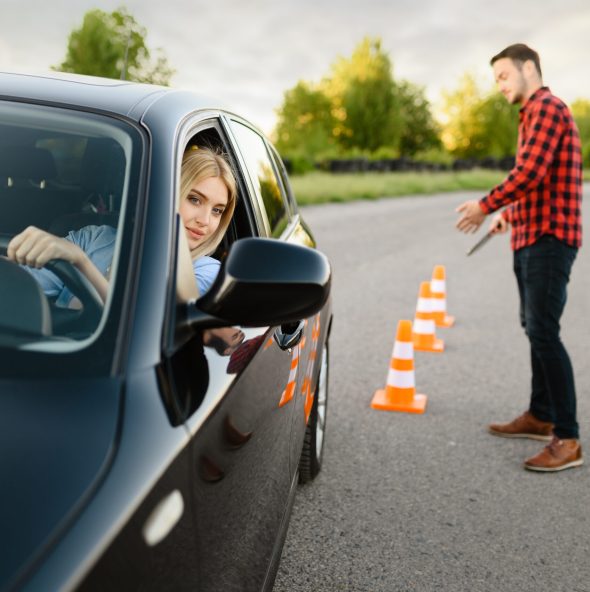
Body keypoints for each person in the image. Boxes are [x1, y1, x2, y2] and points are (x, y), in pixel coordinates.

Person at [455, 44, 583, 472]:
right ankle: (540, 414)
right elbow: (537, 183)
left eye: (504, 76)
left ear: (529, 68)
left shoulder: (546, 107)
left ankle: (567, 438)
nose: (501, 86)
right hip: (530, 234)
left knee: (544, 331)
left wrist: (486, 205)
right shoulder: (530, 115)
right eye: (497, 80)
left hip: (550, 239)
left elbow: (528, 173)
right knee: (535, 328)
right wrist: (508, 214)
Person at [7, 146, 237, 306]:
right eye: (194, 199)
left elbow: (147, 327)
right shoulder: (95, 239)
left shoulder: (208, 273)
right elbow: (16, 286)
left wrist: (81, 261)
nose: (205, 221)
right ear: (166, 194)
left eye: (217, 210)